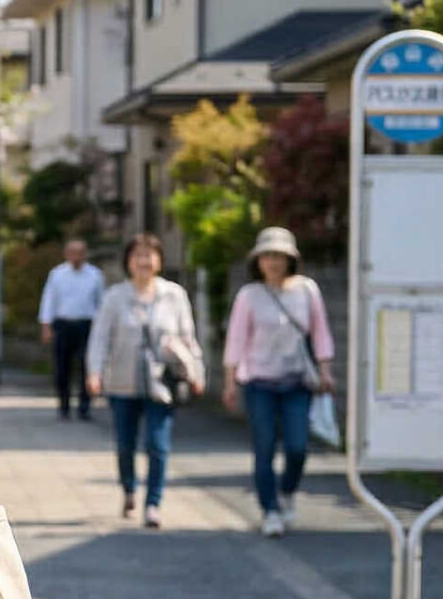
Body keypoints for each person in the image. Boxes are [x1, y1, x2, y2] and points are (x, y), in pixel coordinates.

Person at [221, 226, 335, 537]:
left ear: (290, 259)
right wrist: (230, 382)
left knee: (298, 447)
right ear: (257, 261)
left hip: (297, 381)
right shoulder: (249, 296)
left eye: (279, 256)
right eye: (267, 256)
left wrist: (325, 370)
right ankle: (269, 510)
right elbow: (236, 340)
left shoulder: (307, 290)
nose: (272, 262)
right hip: (259, 382)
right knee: (265, 446)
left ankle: (288, 491)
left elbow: (320, 332)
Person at [85, 234, 196, 529]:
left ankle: (154, 503)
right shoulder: (114, 297)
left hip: (162, 383)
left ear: (160, 260)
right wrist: (94, 372)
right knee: (125, 444)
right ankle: (129, 488)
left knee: (158, 445)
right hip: (122, 382)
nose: (144, 261)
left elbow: (188, 338)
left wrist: (196, 372)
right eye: (138, 255)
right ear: (128, 261)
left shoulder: (174, 295)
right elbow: (100, 339)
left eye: (150, 255)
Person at [39, 238, 105, 421]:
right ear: (67, 254)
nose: (76, 257)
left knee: (86, 366)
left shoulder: (95, 275)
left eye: (80, 253)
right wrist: (46, 325)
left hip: (87, 324)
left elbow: (102, 303)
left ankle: (85, 406)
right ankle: (64, 405)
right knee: (62, 367)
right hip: (63, 324)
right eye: (73, 252)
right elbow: (49, 300)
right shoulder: (58, 274)